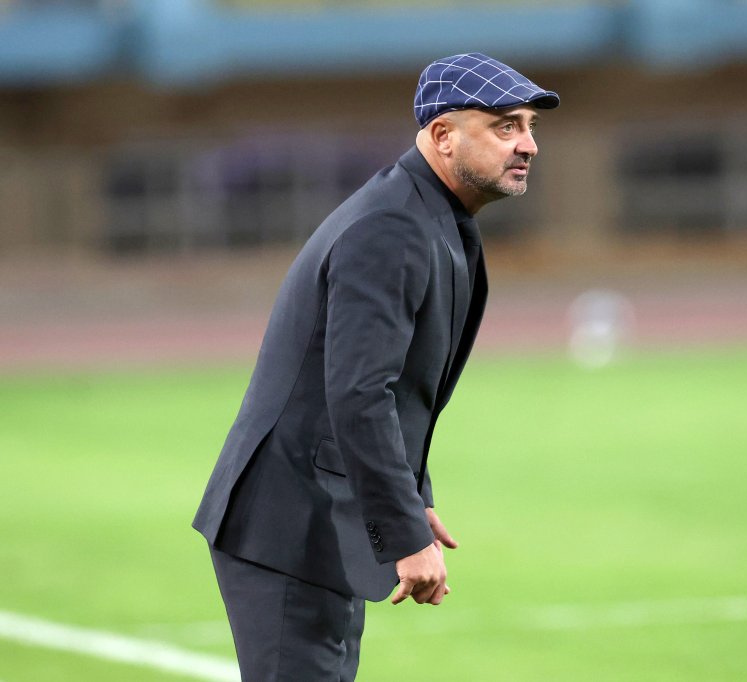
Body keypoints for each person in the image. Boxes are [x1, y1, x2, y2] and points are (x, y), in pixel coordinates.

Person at [191, 53, 559, 681]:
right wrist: (403, 531)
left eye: (528, 126)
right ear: (443, 135)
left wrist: (412, 500)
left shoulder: (430, 217)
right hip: (290, 524)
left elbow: (396, 391)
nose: (527, 144)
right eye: (505, 126)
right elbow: (360, 393)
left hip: (318, 518)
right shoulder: (392, 226)